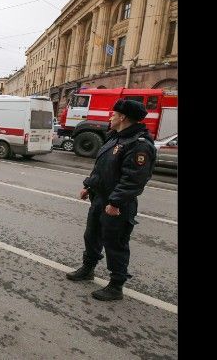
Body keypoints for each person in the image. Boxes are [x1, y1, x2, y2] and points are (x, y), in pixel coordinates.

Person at [65, 98, 155, 301]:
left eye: (113, 114)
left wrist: (115, 203)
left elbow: (133, 180)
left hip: (118, 205)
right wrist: (89, 186)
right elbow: (102, 168)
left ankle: (116, 286)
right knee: (92, 235)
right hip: (100, 198)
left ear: (122, 117)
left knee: (115, 243)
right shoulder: (115, 137)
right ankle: (88, 269)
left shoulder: (138, 145)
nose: (110, 117)